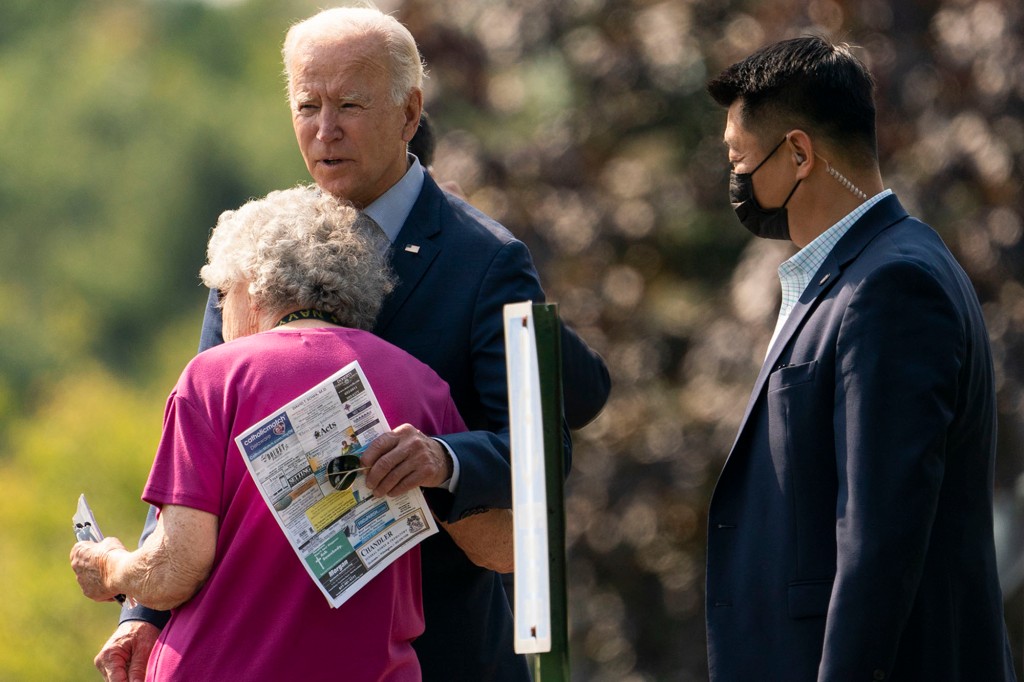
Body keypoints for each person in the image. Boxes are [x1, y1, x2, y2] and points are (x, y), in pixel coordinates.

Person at [97, 7, 610, 682]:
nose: (325, 130)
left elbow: (540, 452)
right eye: (307, 106)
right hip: (265, 650)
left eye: (350, 105)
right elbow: (196, 463)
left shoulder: (482, 259)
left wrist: (441, 459)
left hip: (434, 650)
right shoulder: (260, 249)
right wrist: (143, 611)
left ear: (408, 112)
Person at [703, 35, 1016, 681]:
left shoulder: (892, 286)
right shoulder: (866, 272)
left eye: (739, 158)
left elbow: (879, 538)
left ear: (797, 153)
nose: (735, 180)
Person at [71, 185, 467, 680]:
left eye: (222, 294)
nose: (221, 314)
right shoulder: (422, 384)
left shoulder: (215, 376)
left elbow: (174, 570)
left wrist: (109, 567)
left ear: (253, 285)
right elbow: (492, 541)